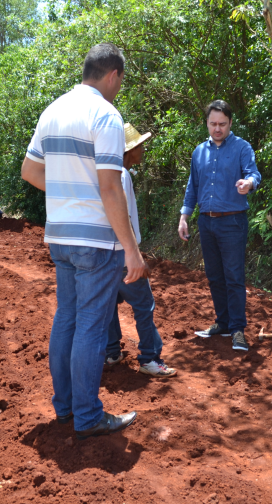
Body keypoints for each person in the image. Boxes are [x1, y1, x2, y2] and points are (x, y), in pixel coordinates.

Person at [20, 43, 146, 440]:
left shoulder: (52, 110)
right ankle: (89, 416)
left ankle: (66, 408)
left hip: (60, 234)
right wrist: (131, 248)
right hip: (95, 240)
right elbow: (111, 189)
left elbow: (29, 171)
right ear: (113, 76)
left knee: (67, 319)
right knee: (91, 326)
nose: (119, 89)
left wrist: (68, 194)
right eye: (121, 82)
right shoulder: (105, 115)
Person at [178, 100, 261, 351]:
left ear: (230, 123)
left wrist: (248, 184)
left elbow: (253, 174)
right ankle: (222, 323)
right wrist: (184, 216)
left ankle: (237, 329)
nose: (217, 129)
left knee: (234, 277)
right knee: (214, 276)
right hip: (206, 221)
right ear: (206, 123)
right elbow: (192, 186)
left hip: (233, 221)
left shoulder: (242, 148)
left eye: (222, 124)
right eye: (213, 124)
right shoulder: (198, 152)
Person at [104, 123, 177, 378]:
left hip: (108, 254)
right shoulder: (121, 176)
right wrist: (133, 252)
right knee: (144, 306)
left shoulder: (110, 173)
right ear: (128, 151)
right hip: (123, 253)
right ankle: (149, 357)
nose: (142, 150)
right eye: (139, 146)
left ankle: (111, 352)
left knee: (110, 304)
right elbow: (120, 215)